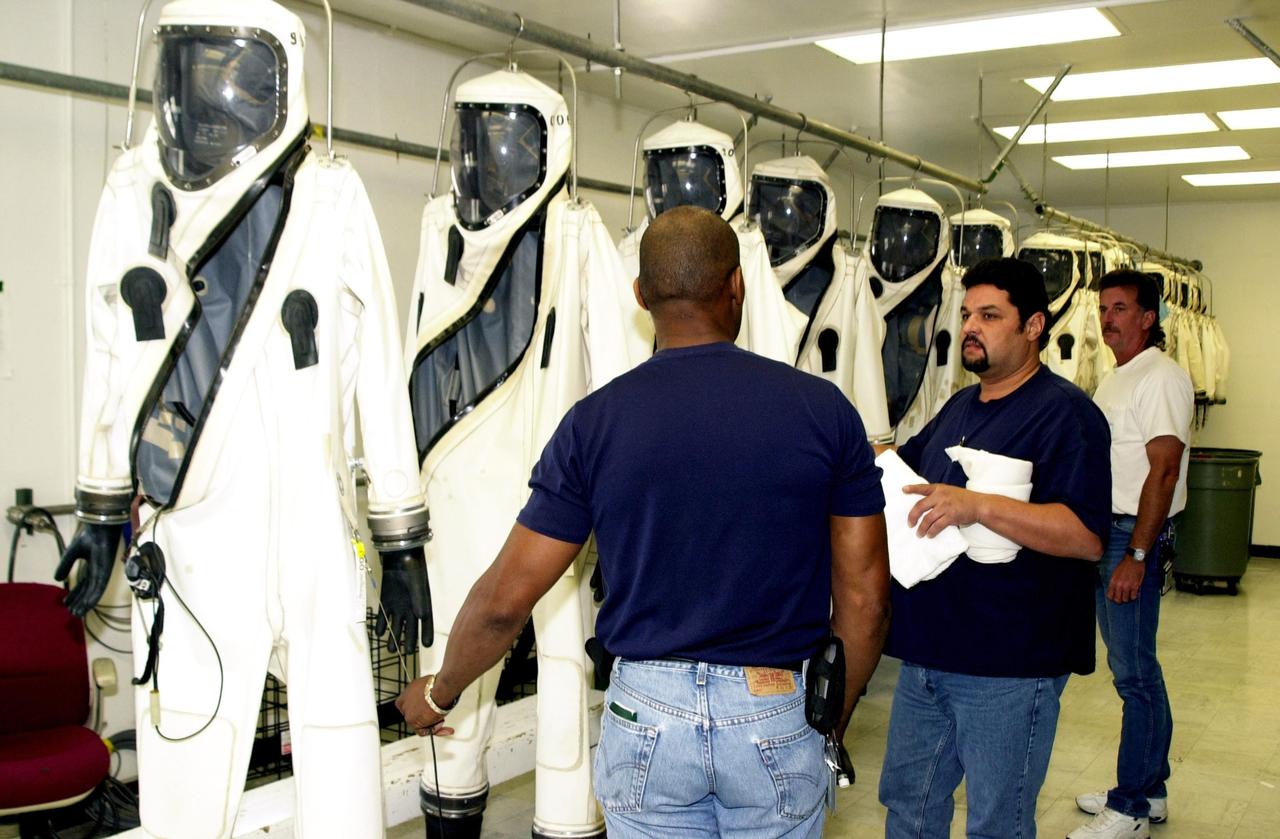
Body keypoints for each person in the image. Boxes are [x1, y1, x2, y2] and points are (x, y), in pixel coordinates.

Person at [399, 205, 891, 838]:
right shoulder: (825, 413)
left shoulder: (594, 424)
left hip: (648, 716)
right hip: (774, 704)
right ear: (736, 287)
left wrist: (440, 691)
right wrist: (828, 714)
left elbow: (504, 600)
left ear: (640, 296)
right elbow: (866, 599)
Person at [877, 257, 1112, 839]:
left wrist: (979, 505)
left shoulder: (1067, 416)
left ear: (1033, 326)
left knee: (996, 823)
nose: (970, 328)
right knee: (908, 805)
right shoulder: (959, 407)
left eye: (989, 315)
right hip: (929, 655)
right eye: (965, 315)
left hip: (1009, 665)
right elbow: (905, 472)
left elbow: (1084, 536)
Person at [1069, 270, 1192, 839]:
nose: (1108, 318)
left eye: (1120, 308)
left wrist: (1137, 555)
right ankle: (1152, 787)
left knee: (1134, 674)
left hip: (1131, 536)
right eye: (1103, 308)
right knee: (1136, 668)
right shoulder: (1117, 377)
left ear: (1149, 318)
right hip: (1108, 532)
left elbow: (1163, 468)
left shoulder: (1161, 377)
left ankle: (1130, 807)